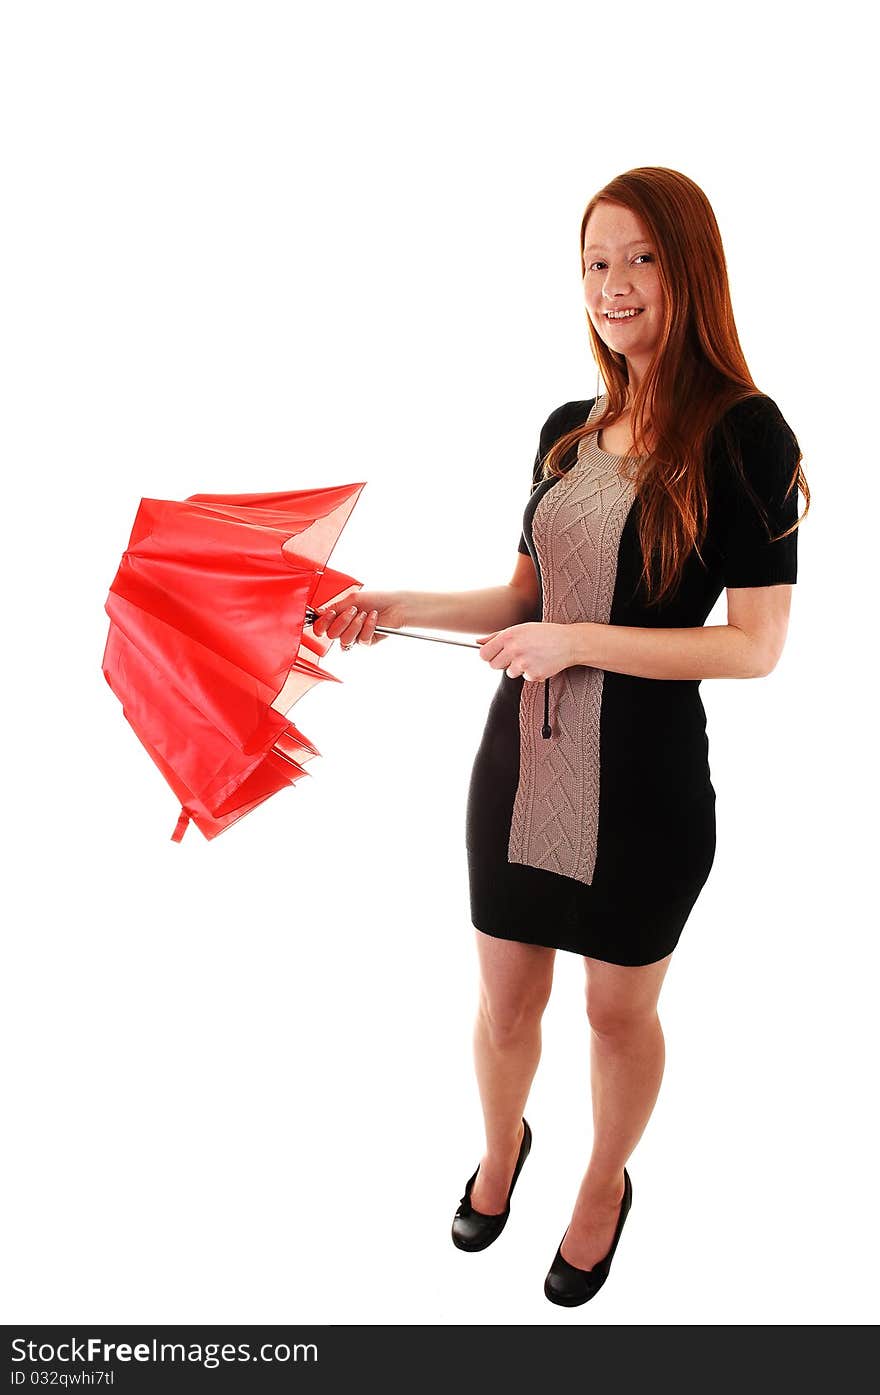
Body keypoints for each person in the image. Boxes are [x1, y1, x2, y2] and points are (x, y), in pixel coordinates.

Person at [309, 166, 810, 1308]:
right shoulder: (564, 432)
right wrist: (392, 605)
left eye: (639, 258)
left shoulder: (748, 433)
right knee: (503, 1003)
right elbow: (516, 603)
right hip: (523, 765)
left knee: (614, 1011)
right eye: (594, 261)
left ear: (690, 269)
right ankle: (500, 1152)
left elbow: (755, 646)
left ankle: (601, 1186)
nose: (613, 284)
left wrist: (577, 640)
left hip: (645, 784)